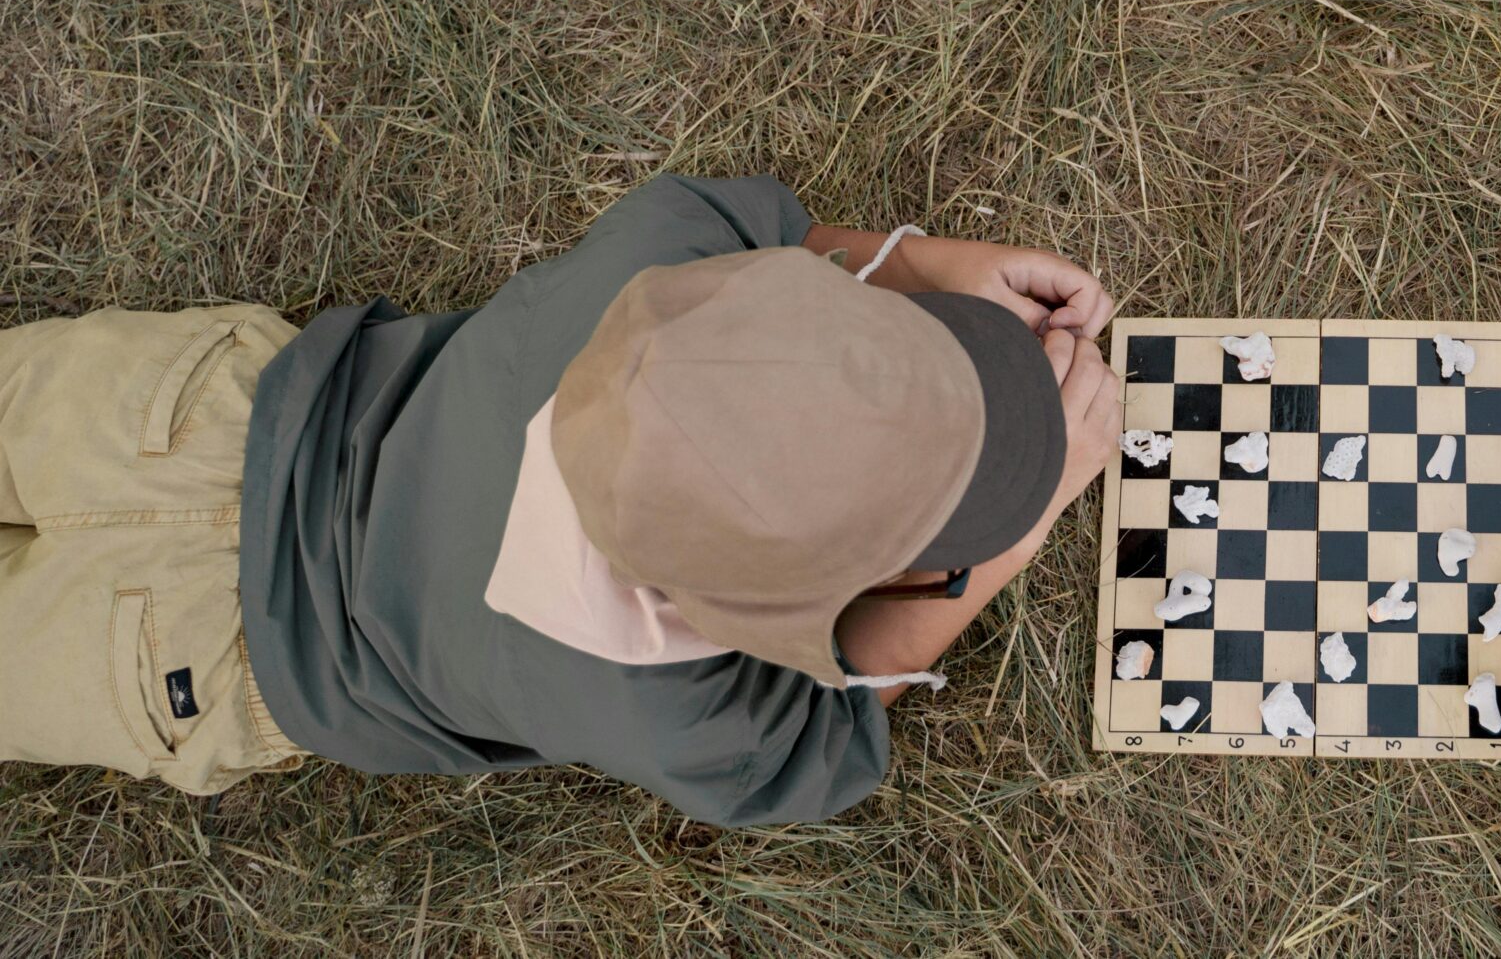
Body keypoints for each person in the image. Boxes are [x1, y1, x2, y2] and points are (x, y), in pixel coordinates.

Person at [0, 174, 1120, 826]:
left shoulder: (651, 262)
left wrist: (926, 274)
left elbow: (753, 229)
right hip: (190, 651)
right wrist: (1022, 525)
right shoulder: (685, 713)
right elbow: (827, 730)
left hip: (183, 412)